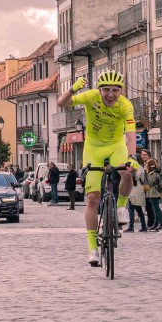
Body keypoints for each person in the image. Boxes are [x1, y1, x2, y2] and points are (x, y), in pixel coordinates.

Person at [56, 71, 138, 266]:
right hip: (93, 147)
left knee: (126, 171)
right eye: (106, 90)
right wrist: (73, 89)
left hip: (117, 144)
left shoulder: (125, 105)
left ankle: (120, 207)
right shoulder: (90, 96)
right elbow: (62, 104)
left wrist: (132, 156)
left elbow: (131, 132)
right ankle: (92, 248)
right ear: (99, 90)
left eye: (115, 90)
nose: (111, 94)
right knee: (93, 198)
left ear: (120, 91)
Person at [144, 158, 162, 230]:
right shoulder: (156, 171)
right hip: (154, 192)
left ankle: (161, 223)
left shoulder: (152, 173)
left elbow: (150, 182)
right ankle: (156, 224)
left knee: (156, 209)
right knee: (155, 208)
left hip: (154, 192)